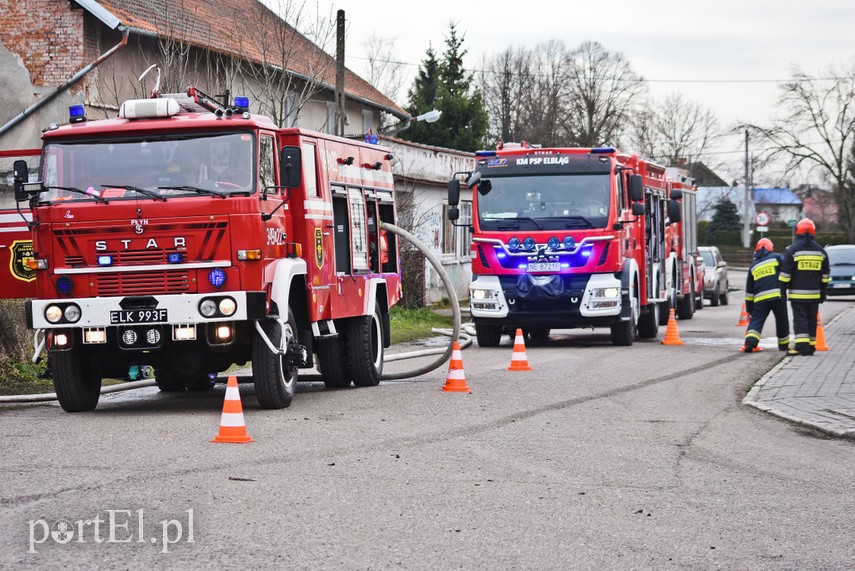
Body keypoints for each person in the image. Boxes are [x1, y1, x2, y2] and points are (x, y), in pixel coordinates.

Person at [779, 218, 830, 356]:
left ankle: (802, 347)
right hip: (814, 294)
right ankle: (811, 346)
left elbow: (785, 274)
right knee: (812, 319)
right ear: (813, 232)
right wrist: (823, 292)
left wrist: (783, 291)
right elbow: (825, 275)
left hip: (797, 294)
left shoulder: (793, 251)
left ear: (798, 232)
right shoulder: (821, 252)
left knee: (800, 319)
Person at [743, 238, 789, 352]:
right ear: (770, 248)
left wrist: (750, 309)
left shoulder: (754, 265)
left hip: (760, 299)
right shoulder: (777, 257)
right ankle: (783, 345)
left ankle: (750, 342)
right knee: (781, 320)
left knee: (757, 320)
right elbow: (787, 269)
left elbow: (749, 291)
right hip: (777, 296)